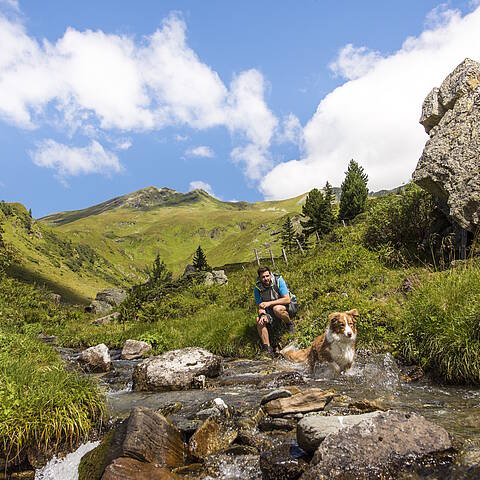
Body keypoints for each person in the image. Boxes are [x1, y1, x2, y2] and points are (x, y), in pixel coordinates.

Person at [254, 266, 298, 355]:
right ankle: (267, 348)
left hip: (289, 305)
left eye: (267, 276)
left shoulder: (278, 281)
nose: (266, 279)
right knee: (259, 320)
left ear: (270, 275)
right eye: (263, 277)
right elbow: (260, 306)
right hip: (271, 310)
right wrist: (262, 315)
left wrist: (269, 303)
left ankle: (289, 324)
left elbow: (287, 299)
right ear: (260, 278)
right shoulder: (257, 289)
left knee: (277, 309)